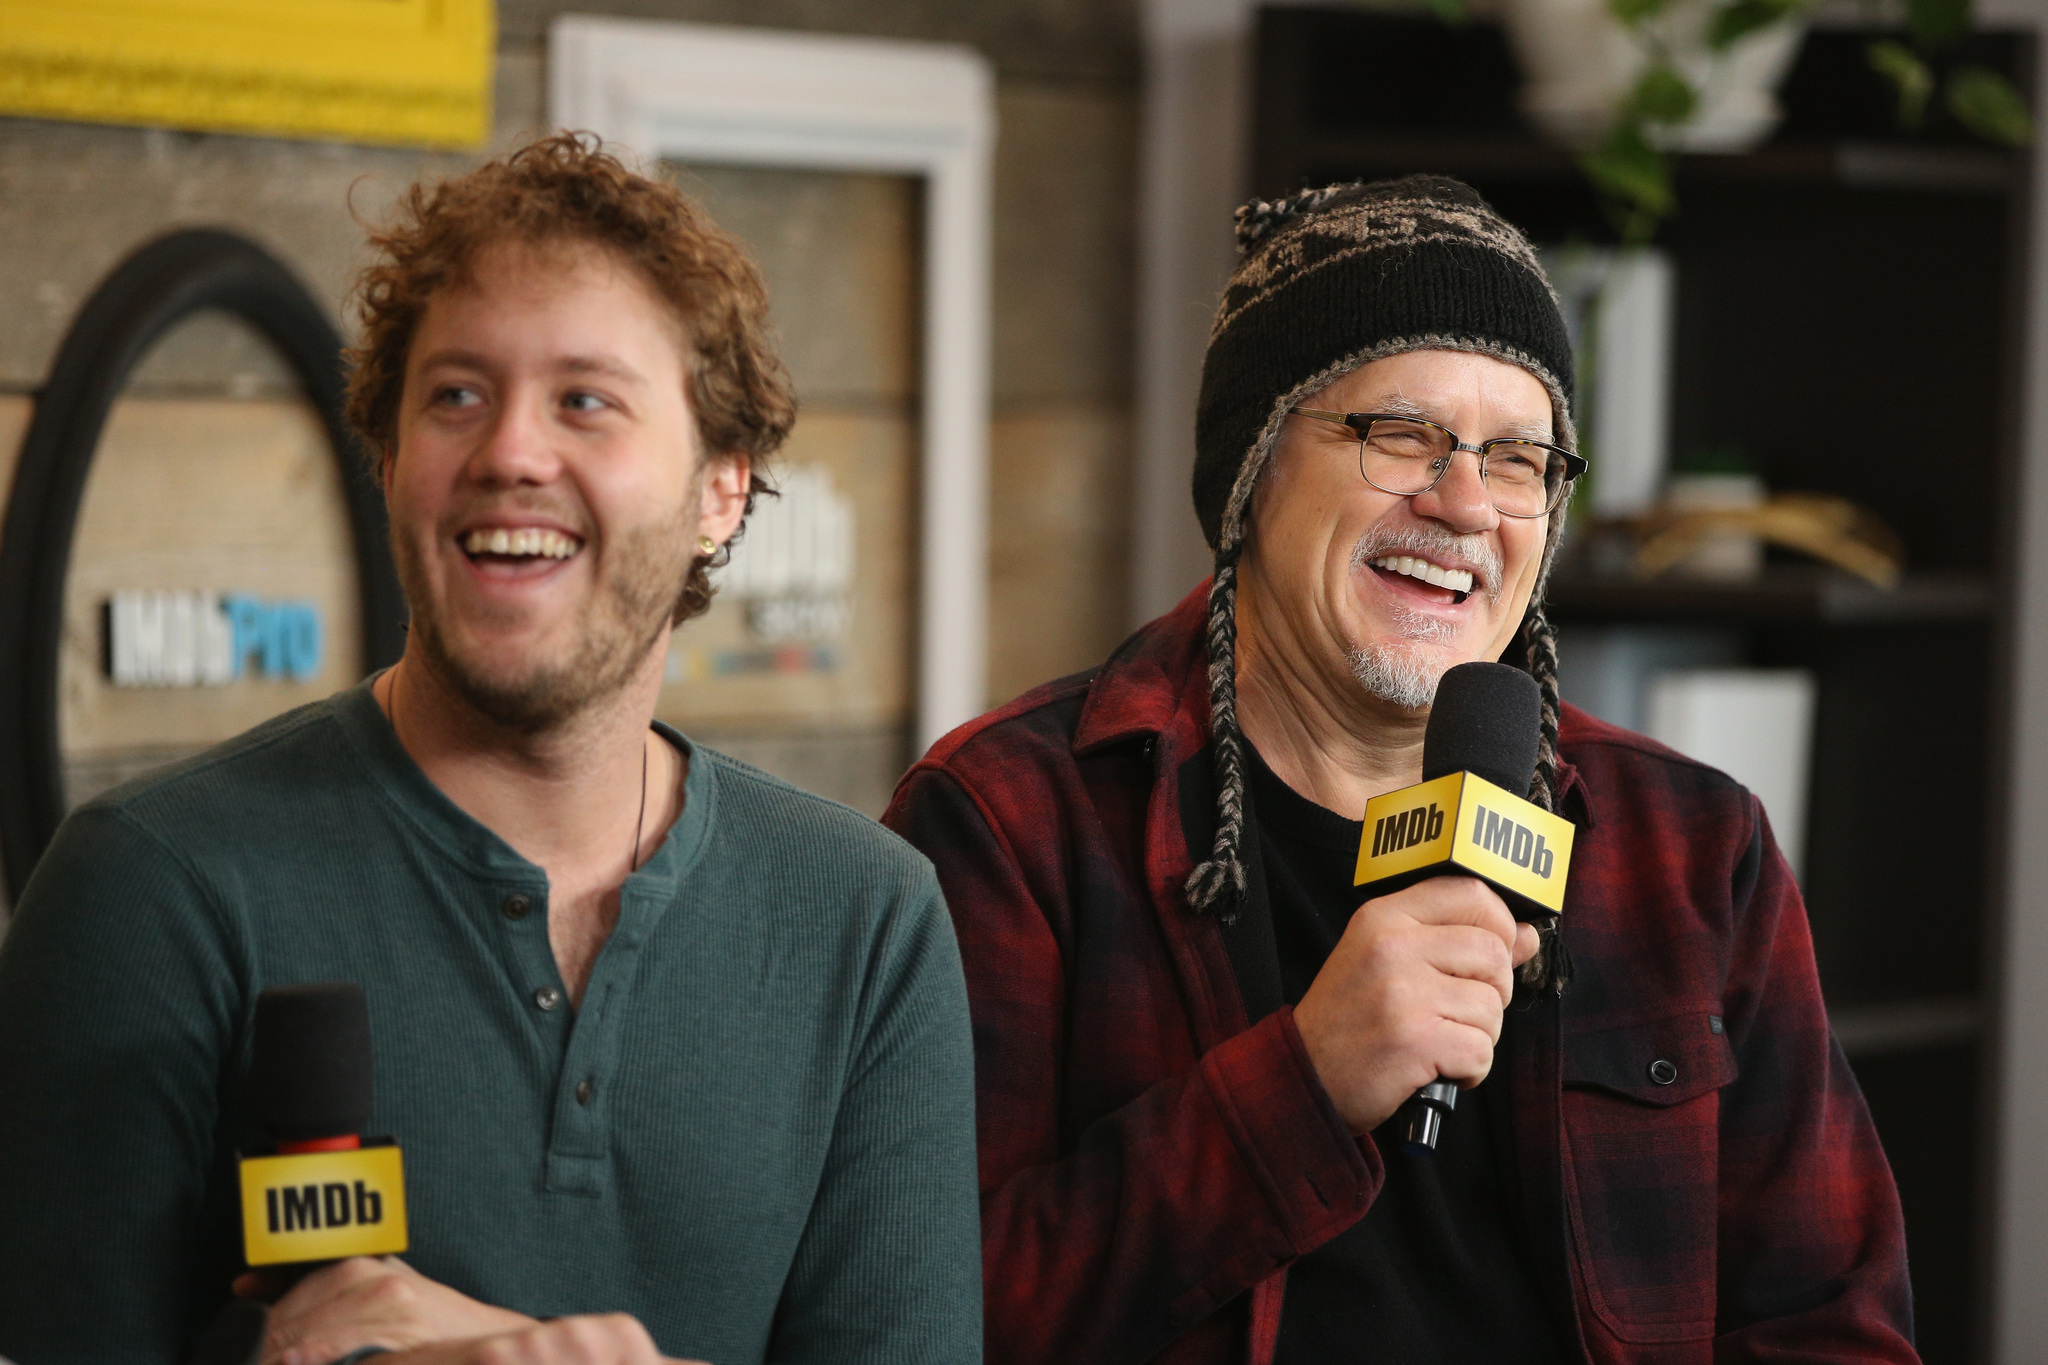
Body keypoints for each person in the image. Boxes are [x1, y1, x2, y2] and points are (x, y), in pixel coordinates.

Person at [882, 175, 1916, 1365]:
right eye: (1400, 434)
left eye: (1520, 458)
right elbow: (916, 1321)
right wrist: (1301, 1084)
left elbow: (1830, 1324)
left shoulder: (1690, 843)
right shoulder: (1010, 822)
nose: (1466, 501)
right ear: (1251, 473)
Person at [0, 135, 981, 1365]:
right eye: (456, 395)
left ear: (720, 490)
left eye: (586, 399)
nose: (510, 451)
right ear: (391, 458)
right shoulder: (151, 889)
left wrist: (497, 1348)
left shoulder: (862, 920)